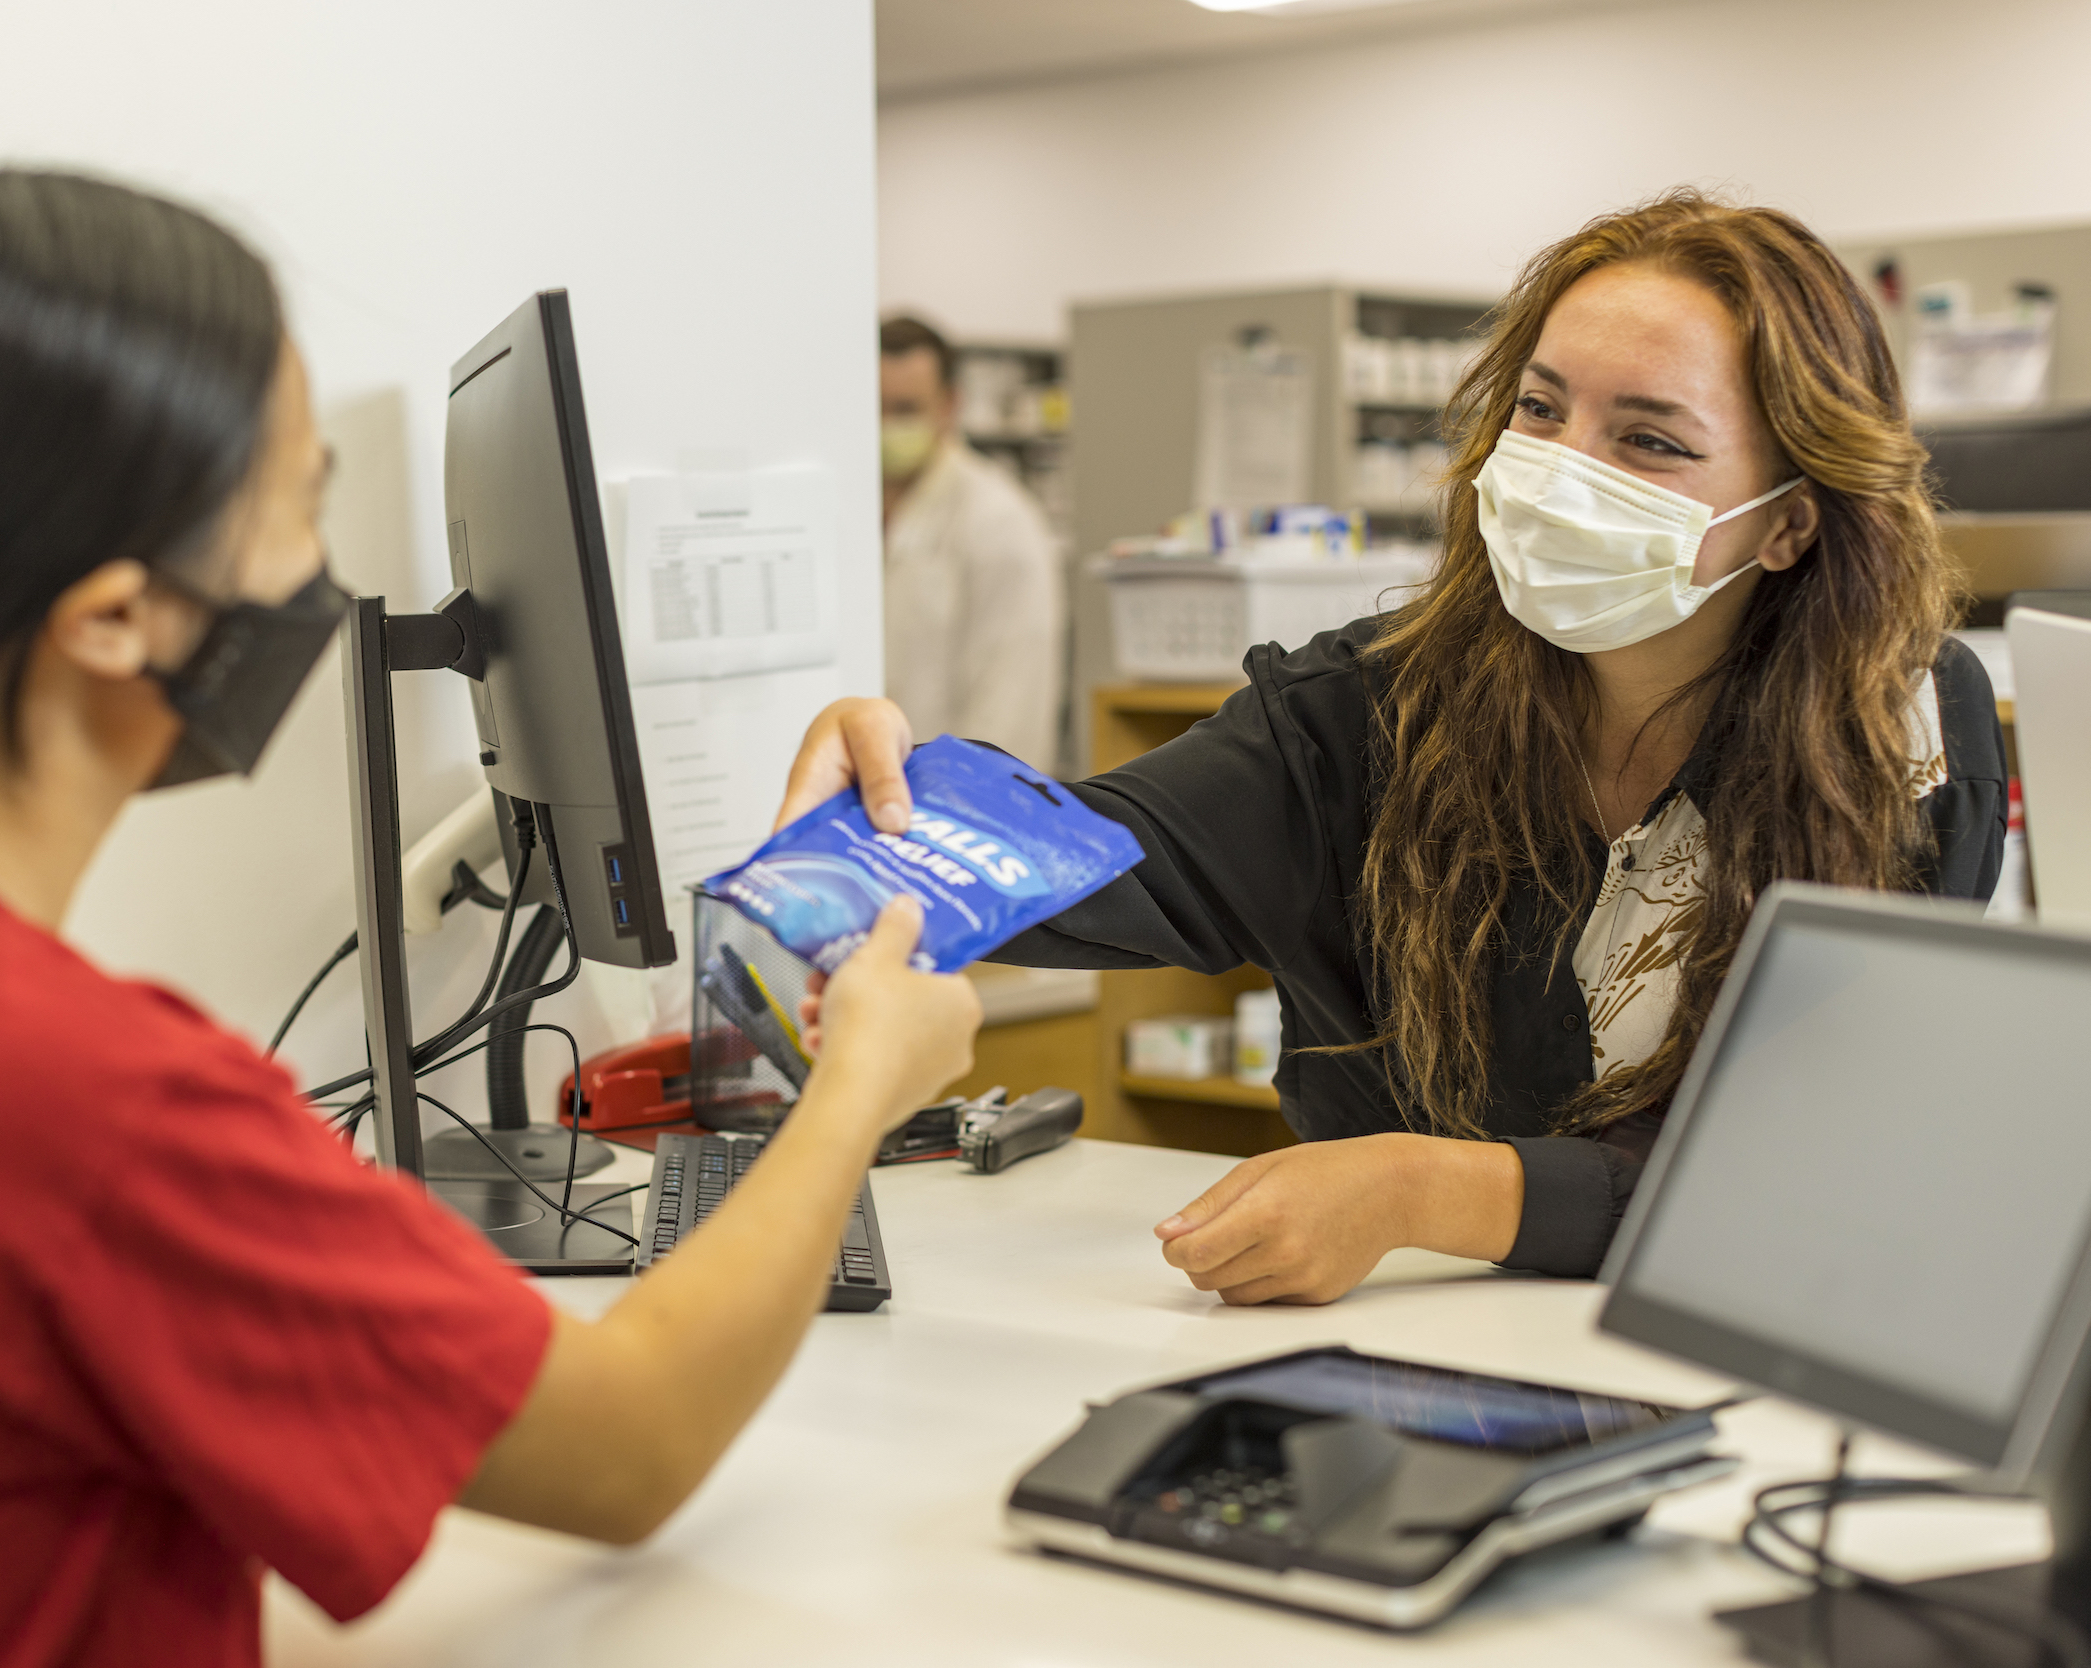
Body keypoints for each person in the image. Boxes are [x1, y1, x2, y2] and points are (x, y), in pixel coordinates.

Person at [0, 170, 980, 1662]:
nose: (321, 582)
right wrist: (850, 1093)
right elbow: (627, 1445)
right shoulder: (75, 1096)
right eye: (297, 507)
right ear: (116, 616)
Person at [789, 192, 2004, 1306]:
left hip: (1734, 1351)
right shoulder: (1369, 706)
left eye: (1648, 442)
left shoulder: (1899, 738)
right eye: (1539, 408)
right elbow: (1105, 853)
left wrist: (1419, 1191)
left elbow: (1784, 1163)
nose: (1555, 470)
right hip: (1404, 1346)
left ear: (1788, 522)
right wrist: (881, 812)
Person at [878, 315, 1064, 770]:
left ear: (950, 404)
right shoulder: (844, 510)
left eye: (905, 410)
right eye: (875, 408)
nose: (886, 426)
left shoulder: (998, 520)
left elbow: (1010, 711)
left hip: (952, 806)